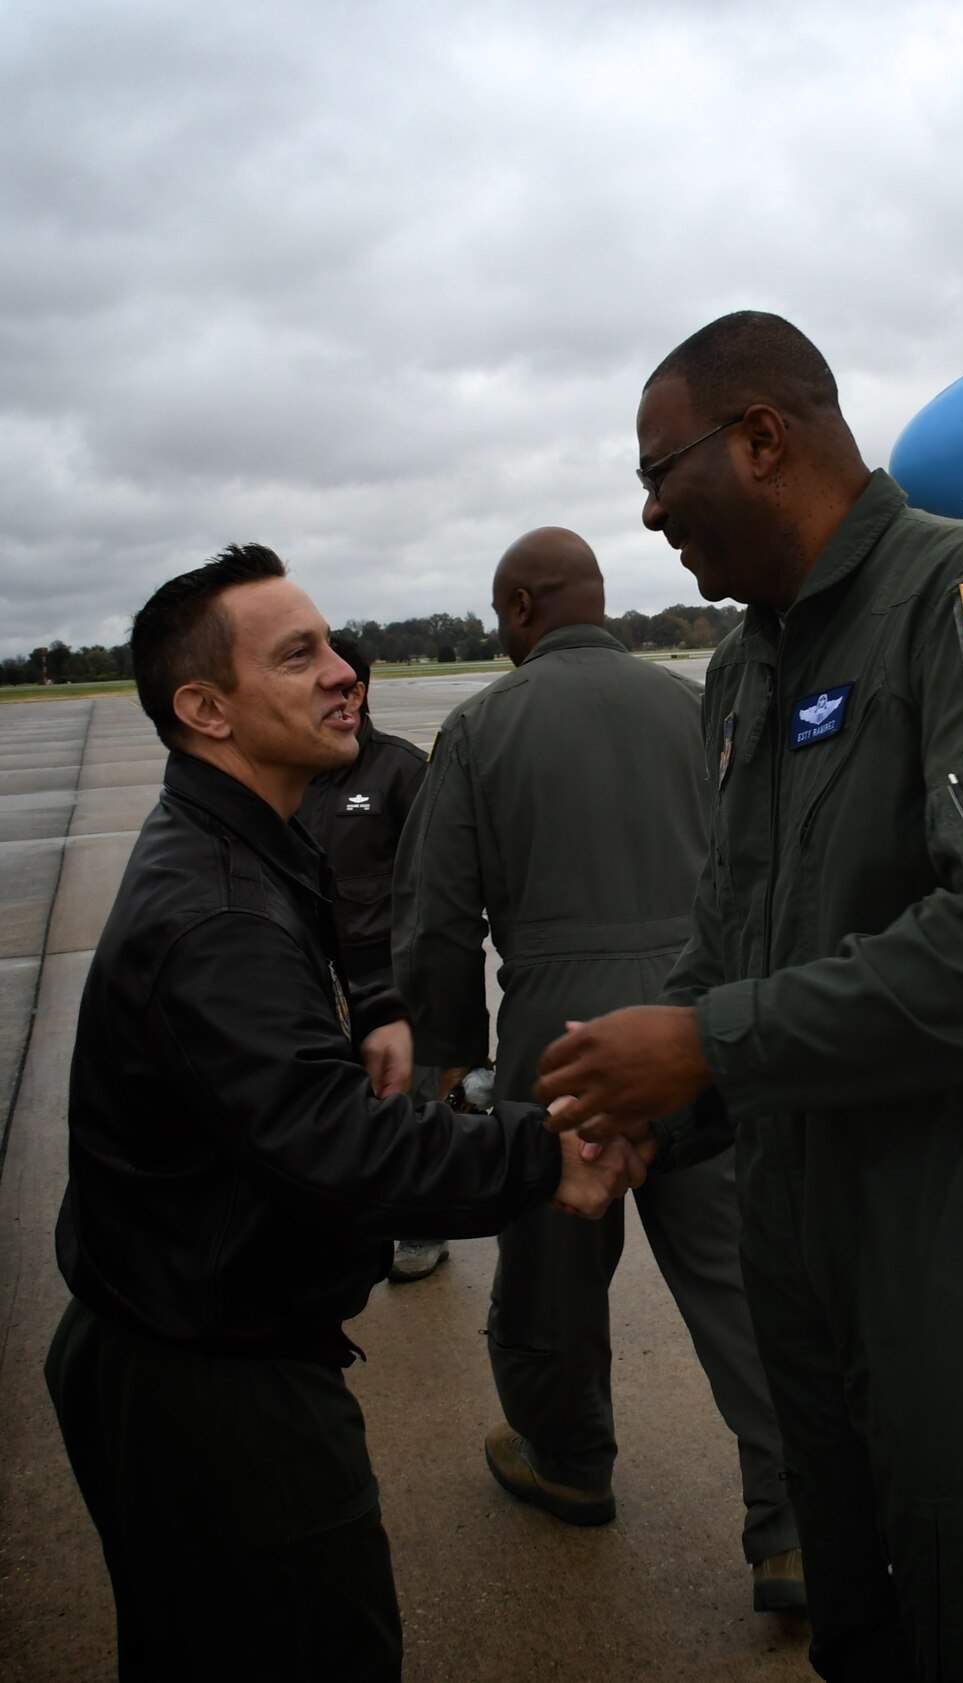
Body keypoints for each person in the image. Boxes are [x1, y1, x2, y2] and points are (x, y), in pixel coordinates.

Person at [537, 314, 963, 1680]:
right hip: (809, 1255)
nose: (646, 514)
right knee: (861, 1634)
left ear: (764, 436)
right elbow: (734, 940)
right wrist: (653, 1109)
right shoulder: (745, 671)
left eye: (663, 469)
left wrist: (706, 1042)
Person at [46, 544, 646, 1682]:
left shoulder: (244, 844)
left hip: (181, 1332)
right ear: (205, 710)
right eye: (298, 655)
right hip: (214, 1390)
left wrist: (370, 1010)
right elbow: (331, 1145)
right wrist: (537, 1151)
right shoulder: (215, 910)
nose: (342, 674)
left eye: (331, 645)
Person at [390, 526, 801, 1607]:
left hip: (559, 1032)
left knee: (553, 1268)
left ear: (523, 606)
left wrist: (451, 1058)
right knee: (734, 1270)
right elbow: (761, 868)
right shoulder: (693, 702)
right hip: (693, 1014)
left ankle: (567, 1459)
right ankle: (794, 1524)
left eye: (497, 612)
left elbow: (437, 920)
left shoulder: (480, 726)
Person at [297, 631, 447, 1283]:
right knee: (328, 1114)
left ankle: (420, 1229)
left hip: (392, 976)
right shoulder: (290, 773)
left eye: (353, 686)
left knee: (403, 1109)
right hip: (313, 979)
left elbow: (444, 881)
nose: (342, 698)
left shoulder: (401, 770)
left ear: (365, 690)